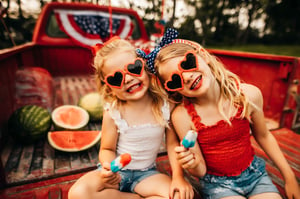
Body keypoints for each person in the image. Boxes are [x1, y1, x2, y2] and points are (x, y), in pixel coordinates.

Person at [140, 28, 300, 199]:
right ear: (174, 90)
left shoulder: (248, 95)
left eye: (187, 64)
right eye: (175, 80)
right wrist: (192, 164)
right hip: (217, 184)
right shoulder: (182, 116)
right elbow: (201, 171)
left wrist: (289, 176)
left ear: (203, 57)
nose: (186, 77)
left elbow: (264, 136)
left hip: (255, 175)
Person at [68, 37, 194, 199]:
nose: (128, 79)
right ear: (109, 88)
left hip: (147, 175)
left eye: (133, 68)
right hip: (117, 175)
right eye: (117, 78)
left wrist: (178, 177)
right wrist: (109, 169)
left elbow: (172, 144)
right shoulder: (113, 111)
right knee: (77, 194)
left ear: (145, 67)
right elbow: (107, 149)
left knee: (177, 196)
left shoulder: (165, 105)